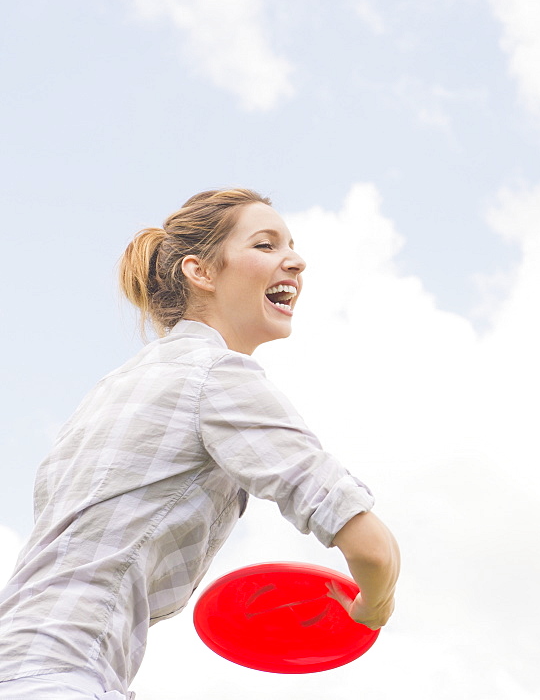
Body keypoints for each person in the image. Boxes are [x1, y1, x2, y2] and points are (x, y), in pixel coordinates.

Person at [0, 189, 400, 699]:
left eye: (292, 246)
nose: (296, 261)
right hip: (60, 675)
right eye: (265, 244)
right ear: (202, 272)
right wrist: (375, 604)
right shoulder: (217, 375)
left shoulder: (112, 389)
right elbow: (374, 550)